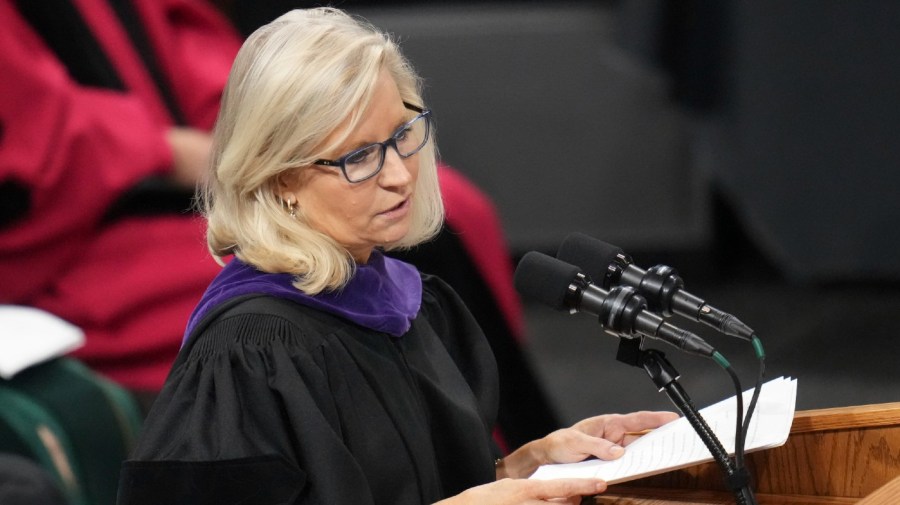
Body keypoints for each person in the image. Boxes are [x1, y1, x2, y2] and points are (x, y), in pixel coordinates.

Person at [116, 8, 678, 505]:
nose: (400, 173)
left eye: (403, 134)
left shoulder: (406, 302)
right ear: (280, 176)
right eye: (359, 156)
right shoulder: (249, 355)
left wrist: (527, 465)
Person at [0, 0, 243, 410]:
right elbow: (27, 142)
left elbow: (194, 50)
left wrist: (255, 131)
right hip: (74, 261)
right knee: (287, 309)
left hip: (190, 212)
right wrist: (169, 152)